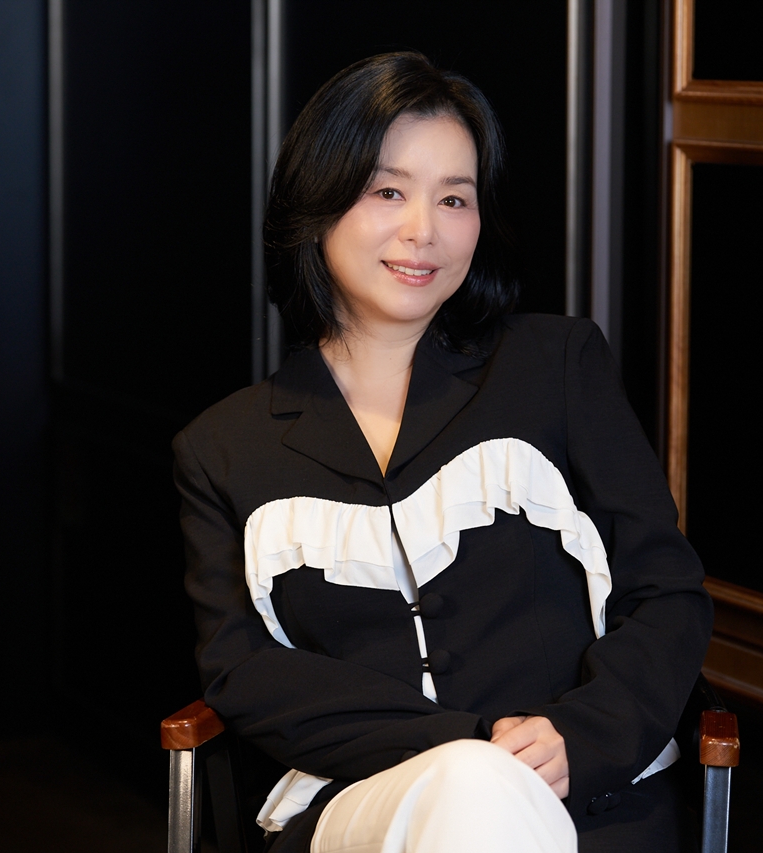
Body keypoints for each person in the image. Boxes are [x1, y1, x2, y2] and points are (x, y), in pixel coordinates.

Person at [173, 52, 713, 853]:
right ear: (317, 203)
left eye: (454, 198)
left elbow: (665, 591)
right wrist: (471, 748)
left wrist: (581, 733)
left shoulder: (557, 367)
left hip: (588, 798)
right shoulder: (223, 447)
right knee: (469, 782)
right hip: (367, 809)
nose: (423, 230)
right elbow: (246, 674)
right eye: (388, 191)